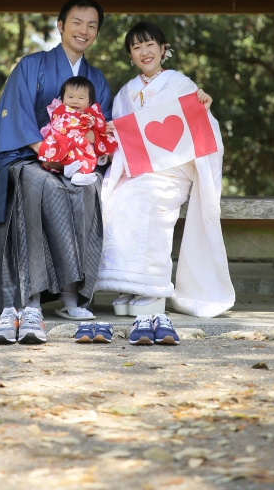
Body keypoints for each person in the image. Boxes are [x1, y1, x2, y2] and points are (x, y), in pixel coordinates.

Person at [0, 0, 112, 344]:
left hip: (77, 161)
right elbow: (16, 117)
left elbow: (102, 129)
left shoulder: (96, 79)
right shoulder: (31, 66)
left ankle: (72, 294)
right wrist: (51, 155)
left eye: (92, 25)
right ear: (61, 25)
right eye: (77, 22)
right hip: (30, 155)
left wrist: (76, 155)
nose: (84, 30)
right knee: (38, 182)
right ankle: (31, 295)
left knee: (89, 187)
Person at [96, 21, 235, 321]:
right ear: (130, 55)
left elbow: (202, 128)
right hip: (134, 171)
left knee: (147, 203)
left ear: (162, 49)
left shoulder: (181, 84)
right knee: (115, 201)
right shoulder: (126, 93)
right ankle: (128, 284)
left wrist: (203, 108)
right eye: (136, 47)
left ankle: (152, 288)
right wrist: (112, 133)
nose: (144, 52)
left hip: (171, 172)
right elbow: (120, 140)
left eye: (150, 45)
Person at [38, 76, 118, 187]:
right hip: (63, 142)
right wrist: (81, 125)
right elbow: (60, 125)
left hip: (84, 146)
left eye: (81, 98)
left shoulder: (91, 113)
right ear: (62, 98)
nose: (75, 101)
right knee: (72, 146)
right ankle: (72, 168)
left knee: (89, 150)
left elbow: (99, 126)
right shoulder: (61, 110)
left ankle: (78, 173)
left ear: (89, 102)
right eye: (70, 97)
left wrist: (98, 126)